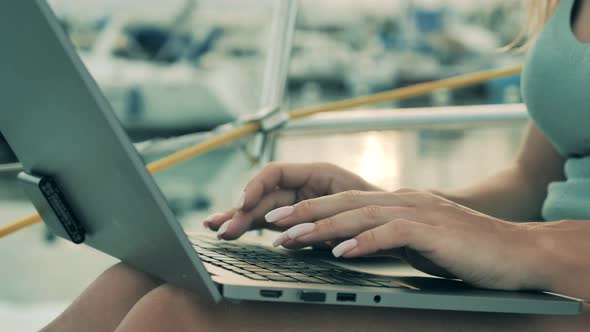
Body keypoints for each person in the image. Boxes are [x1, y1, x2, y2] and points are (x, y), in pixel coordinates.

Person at [42, 0, 590, 331]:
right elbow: (534, 181)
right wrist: (382, 209)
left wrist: (524, 247)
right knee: (140, 279)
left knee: (182, 318)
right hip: (548, 275)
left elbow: (528, 231)